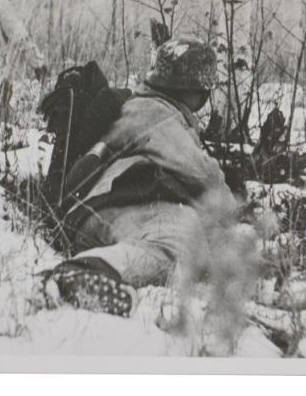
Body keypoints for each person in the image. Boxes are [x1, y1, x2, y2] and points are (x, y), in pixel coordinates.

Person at [39, 39, 239, 317]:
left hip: (103, 211)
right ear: (194, 90)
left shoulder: (142, 107)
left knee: (196, 251)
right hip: (123, 202)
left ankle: (100, 267)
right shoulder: (157, 114)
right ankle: (78, 274)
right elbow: (204, 175)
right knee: (175, 247)